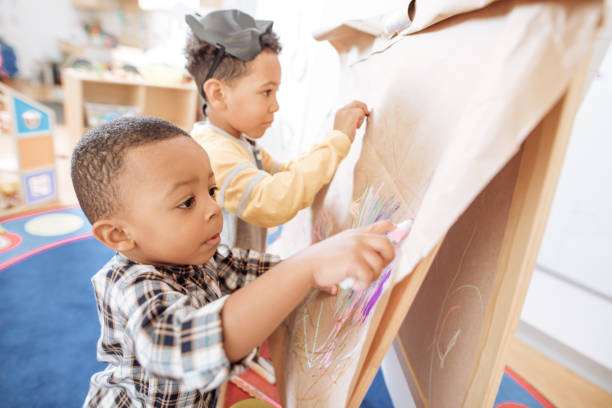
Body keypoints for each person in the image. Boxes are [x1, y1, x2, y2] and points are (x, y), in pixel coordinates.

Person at [72, 116, 394, 407]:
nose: (214, 208)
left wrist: (314, 270)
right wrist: (306, 267)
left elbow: (244, 267)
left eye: (211, 190)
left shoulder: (193, 253)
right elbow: (183, 350)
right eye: (187, 202)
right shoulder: (130, 286)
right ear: (118, 235)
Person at [184, 9, 370, 252]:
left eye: (276, 92)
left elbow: (285, 172)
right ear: (218, 94)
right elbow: (272, 200)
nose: (275, 105)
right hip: (225, 287)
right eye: (266, 92)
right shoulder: (213, 153)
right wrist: (338, 140)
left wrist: (330, 143)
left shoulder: (239, 142)